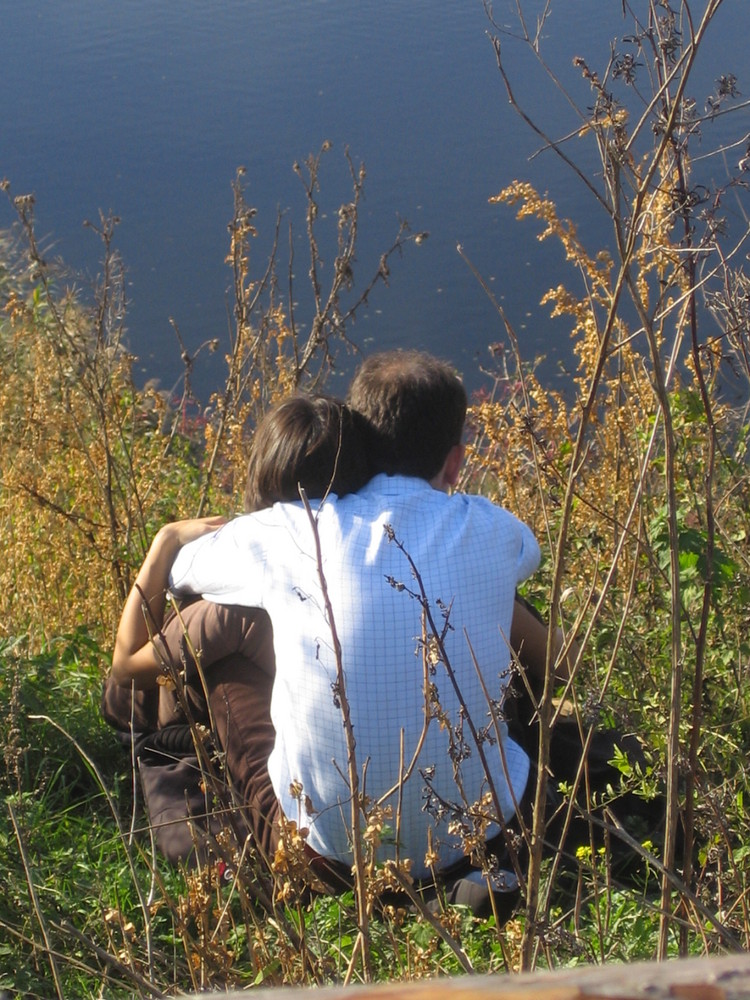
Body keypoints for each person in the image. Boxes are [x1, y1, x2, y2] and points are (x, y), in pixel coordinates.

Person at [161, 351, 540, 888]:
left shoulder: (293, 530)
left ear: (357, 439)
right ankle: (466, 882)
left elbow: (185, 572)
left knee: (224, 657)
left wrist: (174, 537)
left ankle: (282, 860)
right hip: (483, 836)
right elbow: (529, 554)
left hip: (331, 855)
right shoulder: (497, 529)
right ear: (454, 462)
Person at [107, 395, 371, 865]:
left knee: (195, 651)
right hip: (428, 810)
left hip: (309, 844)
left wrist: (164, 541)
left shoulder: (240, 596)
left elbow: (127, 664)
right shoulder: (406, 558)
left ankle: (135, 721)